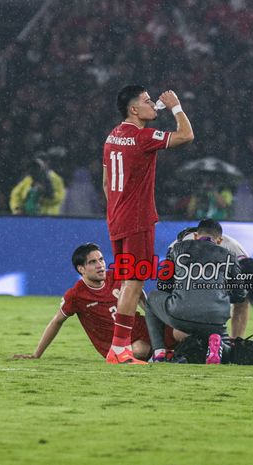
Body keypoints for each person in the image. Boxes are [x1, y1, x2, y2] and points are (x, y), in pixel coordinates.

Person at [102, 85, 194, 364]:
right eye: (146, 101)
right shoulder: (142, 137)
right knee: (133, 281)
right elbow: (187, 135)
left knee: (129, 280)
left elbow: (106, 183)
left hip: (116, 218)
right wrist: (176, 106)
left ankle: (119, 348)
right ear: (133, 109)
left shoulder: (111, 137)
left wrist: (118, 208)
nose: (153, 104)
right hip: (137, 219)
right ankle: (119, 350)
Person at [12, 243, 154, 361]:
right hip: (122, 345)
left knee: (176, 331)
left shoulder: (116, 276)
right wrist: (36, 355)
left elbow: (137, 292)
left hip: (145, 328)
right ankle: (161, 353)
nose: (100, 265)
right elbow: (56, 321)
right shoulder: (76, 295)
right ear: (81, 269)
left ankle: (166, 352)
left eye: (101, 259)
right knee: (140, 350)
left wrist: (152, 315)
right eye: (93, 262)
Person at [146, 218, 252, 364]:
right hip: (215, 318)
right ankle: (219, 346)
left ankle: (159, 352)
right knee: (228, 349)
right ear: (219, 240)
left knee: (152, 298)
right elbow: (240, 295)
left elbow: (163, 285)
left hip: (181, 314)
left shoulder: (177, 248)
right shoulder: (229, 255)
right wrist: (220, 295)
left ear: (196, 236)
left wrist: (182, 290)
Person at [169, 221, 253, 338]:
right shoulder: (183, 248)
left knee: (241, 301)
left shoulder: (240, 257)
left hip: (213, 280)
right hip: (187, 277)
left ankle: (236, 342)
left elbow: (242, 301)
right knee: (181, 334)